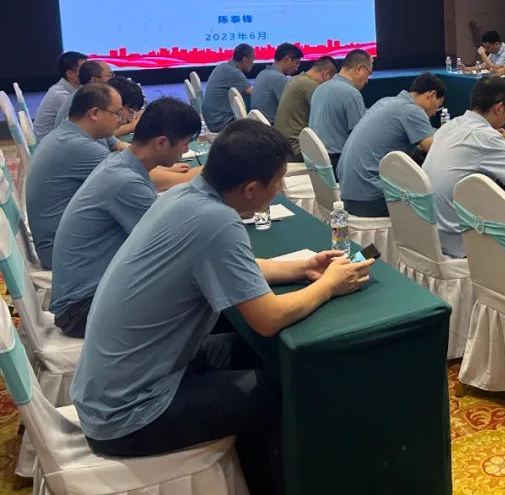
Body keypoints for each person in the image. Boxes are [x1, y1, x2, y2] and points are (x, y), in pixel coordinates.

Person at [71, 119, 372, 495]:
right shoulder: (217, 221)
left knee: (248, 351)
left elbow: (232, 264)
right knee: (285, 391)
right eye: (278, 180)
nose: (280, 189)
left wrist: (302, 267)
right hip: (132, 415)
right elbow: (269, 319)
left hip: (115, 388)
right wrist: (329, 286)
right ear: (251, 189)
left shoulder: (187, 196)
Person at [49, 98, 203, 338]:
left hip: (86, 295)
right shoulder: (125, 182)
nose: (185, 151)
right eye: (184, 144)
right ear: (162, 143)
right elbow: (171, 246)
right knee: (199, 296)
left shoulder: (120, 163)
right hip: (82, 308)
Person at [24, 84, 120, 268]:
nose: (120, 120)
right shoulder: (81, 148)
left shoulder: (65, 135)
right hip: (66, 254)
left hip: (57, 244)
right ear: (94, 113)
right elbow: (132, 179)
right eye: (116, 113)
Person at [424, 76, 505, 257]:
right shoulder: (488, 137)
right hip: (458, 243)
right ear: (499, 108)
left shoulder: (450, 125)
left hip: (428, 232)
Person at [338, 72, 445, 217]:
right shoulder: (413, 111)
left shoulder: (386, 101)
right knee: (436, 201)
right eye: (438, 106)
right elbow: (436, 151)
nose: (434, 113)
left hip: (348, 191)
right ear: (431, 95)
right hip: (370, 198)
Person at [309, 49, 373, 173]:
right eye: (369, 73)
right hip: (339, 163)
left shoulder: (320, 88)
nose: (367, 80)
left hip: (316, 162)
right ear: (359, 68)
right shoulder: (352, 94)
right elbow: (360, 137)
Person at [274, 56, 338, 160]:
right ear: (326, 74)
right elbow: (329, 118)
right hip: (296, 148)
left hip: (283, 144)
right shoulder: (311, 86)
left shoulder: (295, 79)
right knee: (338, 151)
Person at [32, 51, 86, 140]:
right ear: (70, 74)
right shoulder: (60, 95)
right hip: (50, 145)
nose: (89, 72)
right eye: (84, 70)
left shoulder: (75, 88)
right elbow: (85, 125)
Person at [202, 44, 254, 132]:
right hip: (222, 123)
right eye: (252, 60)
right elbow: (253, 92)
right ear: (245, 60)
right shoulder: (234, 72)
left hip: (212, 120)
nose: (253, 64)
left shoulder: (223, 66)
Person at [251, 43, 303, 123]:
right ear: (288, 59)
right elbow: (292, 109)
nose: (297, 67)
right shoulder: (278, 78)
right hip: (271, 126)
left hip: (258, 124)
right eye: (297, 63)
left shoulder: (263, 73)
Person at [52, 59, 114, 126]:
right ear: (94, 79)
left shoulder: (86, 93)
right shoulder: (84, 99)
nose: (113, 79)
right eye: (110, 76)